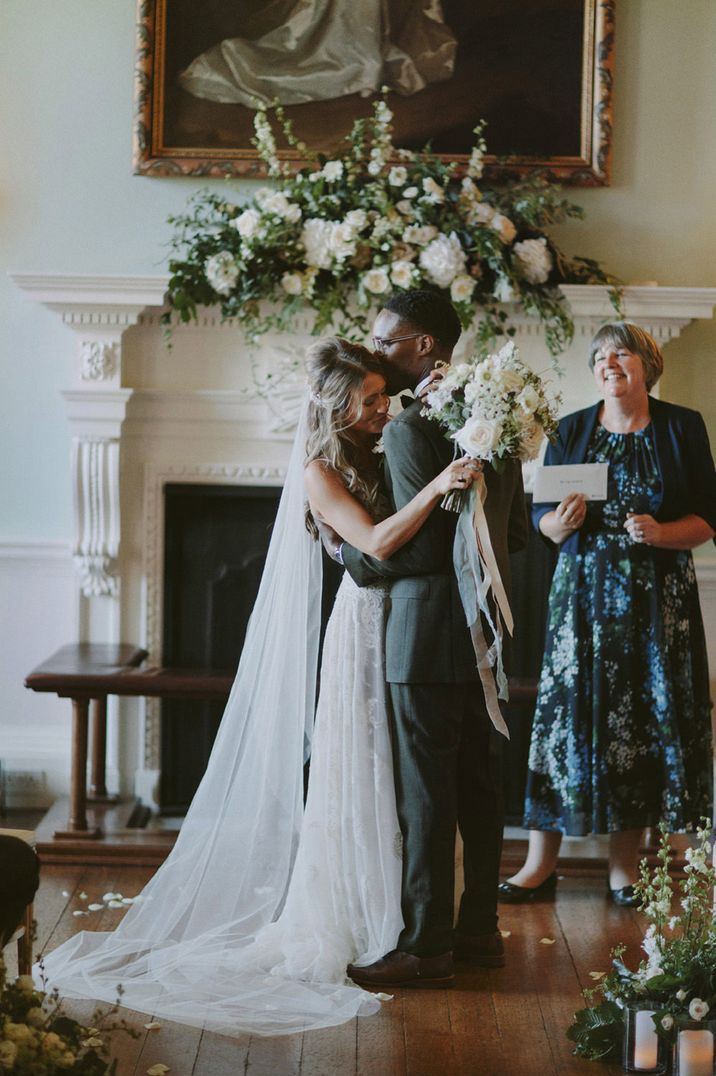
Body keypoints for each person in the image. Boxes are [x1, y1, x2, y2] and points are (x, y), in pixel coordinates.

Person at [38, 337, 477, 1036]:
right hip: (362, 632)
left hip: (408, 630)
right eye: (366, 401)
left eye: (380, 398)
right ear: (336, 406)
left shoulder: (384, 447)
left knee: (402, 779)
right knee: (360, 771)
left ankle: (412, 920)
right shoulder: (317, 472)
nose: (378, 410)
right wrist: (437, 484)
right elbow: (377, 544)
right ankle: (362, 920)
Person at [317, 289, 528, 989]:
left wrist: (354, 557)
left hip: (425, 632)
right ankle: (479, 933)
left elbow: (420, 554)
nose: (375, 351)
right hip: (485, 630)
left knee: (426, 797)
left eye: (386, 341)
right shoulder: (493, 419)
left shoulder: (410, 432)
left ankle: (424, 942)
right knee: (478, 789)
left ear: (424, 347)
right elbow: (517, 534)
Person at [500, 322, 716, 908]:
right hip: (582, 603)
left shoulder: (681, 427)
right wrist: (560, 523)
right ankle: (539, 864)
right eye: (599, 355)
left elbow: (707, 518)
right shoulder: (570, 430)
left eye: (621, 353)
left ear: (648, 364)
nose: (609, 362)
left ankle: (624, 870)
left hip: (657, 605)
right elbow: (542, 521)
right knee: (561, 720)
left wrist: (663, 531)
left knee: (639, 725)